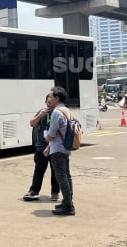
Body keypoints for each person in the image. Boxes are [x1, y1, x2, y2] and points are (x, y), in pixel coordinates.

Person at [22, 94, 60, 202]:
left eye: (51, 102)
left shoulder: (58, 114)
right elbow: (32, 123)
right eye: (47, 102)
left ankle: (55, 192)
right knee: (39, 169)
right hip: (40, 147)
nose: (49, 104)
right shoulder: (42, 112)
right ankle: (34, 191)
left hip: (54, 147)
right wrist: (40, 115)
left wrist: (50, 145)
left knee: (55, 170)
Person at [45, 86, 75, 216]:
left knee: (61, 177)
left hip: (58, 149)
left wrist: (47, 138)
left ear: (57, 98)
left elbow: (51, 134)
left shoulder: (57, 112)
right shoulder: (66, 110)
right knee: (66, 176)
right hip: (65, 148)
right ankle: (67, 202)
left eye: (51, 96)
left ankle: (68, 206)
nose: (49, 99)